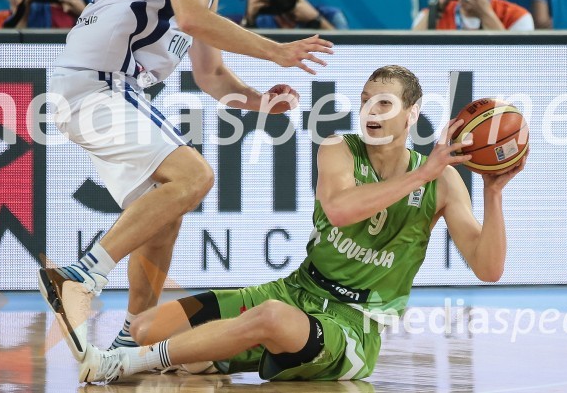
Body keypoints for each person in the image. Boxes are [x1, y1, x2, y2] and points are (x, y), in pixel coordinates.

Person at [38, 0, 334, 364]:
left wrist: (261, 102)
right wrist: (277, 50)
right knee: (194, 176)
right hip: (96, 87)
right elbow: (194, 20)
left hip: (99, 91)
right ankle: (81, 276)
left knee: (163, 213)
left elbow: (211, 76)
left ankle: (130, 343)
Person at [75, 65, 526, 384]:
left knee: (267, 320)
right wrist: (422, 173)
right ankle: (201, 357)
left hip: (353, 326)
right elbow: (341, 210)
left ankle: (133, 365)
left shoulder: (443, 183)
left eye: (384, 102)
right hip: (296, 291)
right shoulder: (338, 148)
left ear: (412, 113)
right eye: (365, 98)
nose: (370, 109)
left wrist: (492, 191)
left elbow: (488, 269)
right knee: (146, 327)